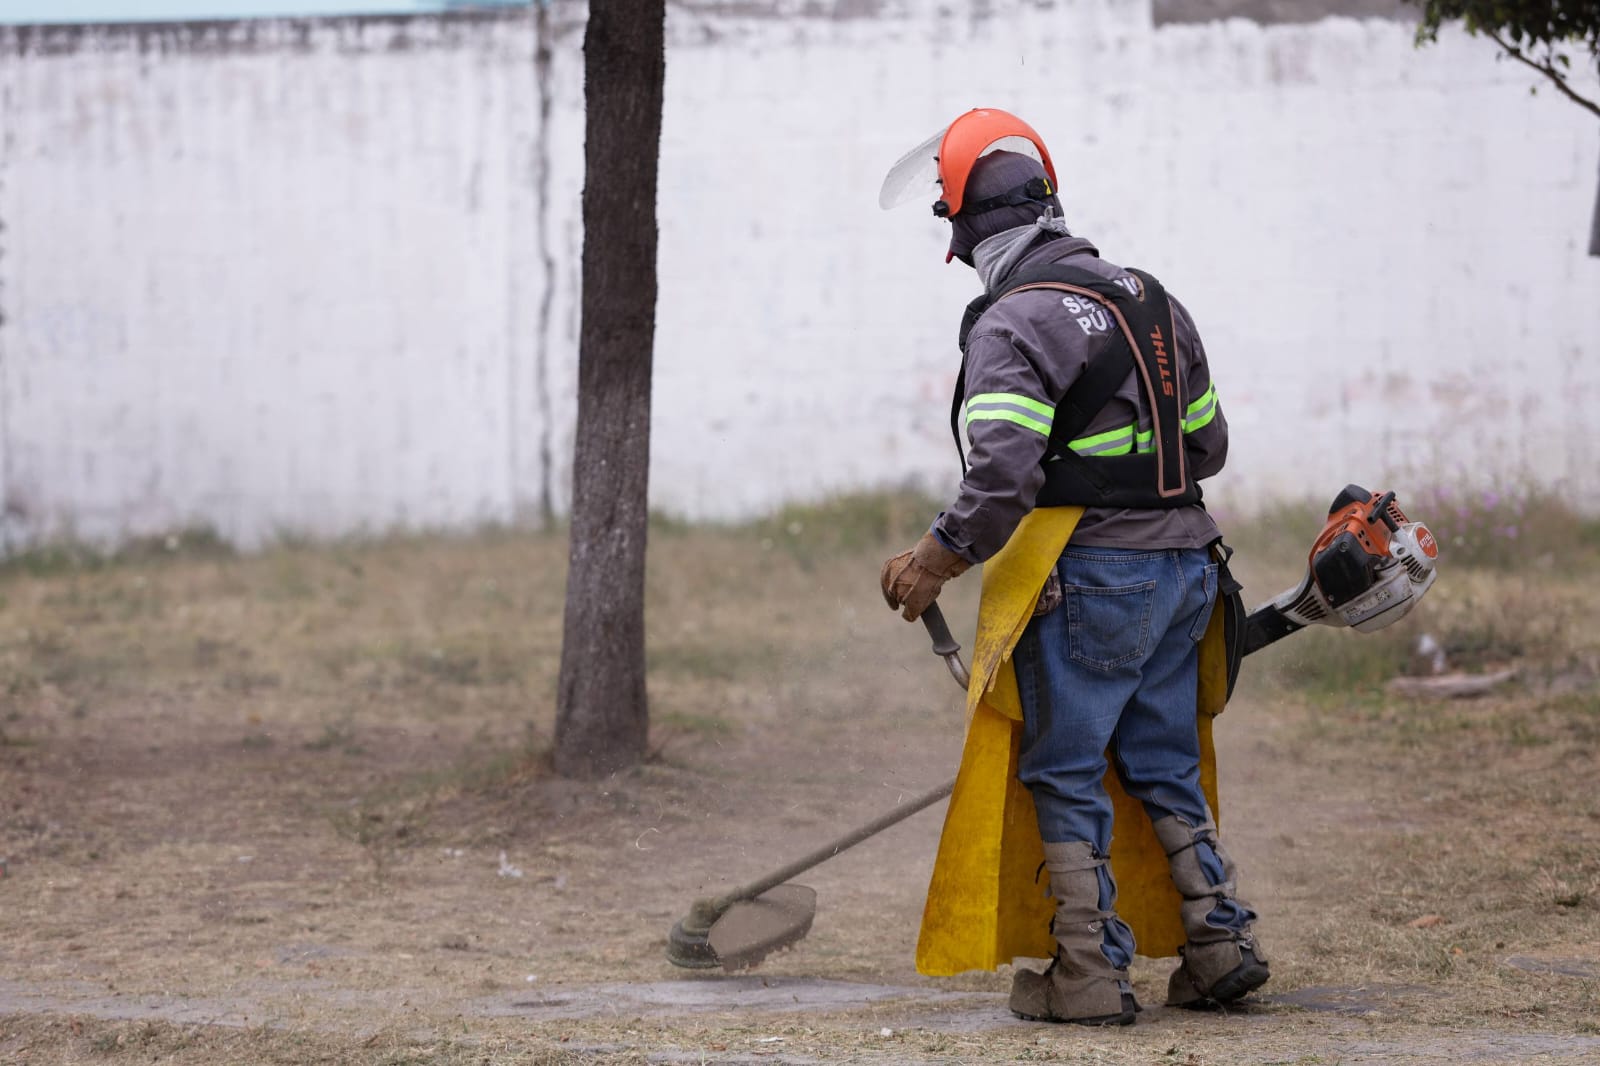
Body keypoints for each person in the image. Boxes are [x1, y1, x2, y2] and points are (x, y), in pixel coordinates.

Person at [878, 108, 1268, 1025]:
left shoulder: (1011, 323)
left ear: (969, 230)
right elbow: (1206, 446)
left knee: (1063, 768)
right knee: (1163, 762)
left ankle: (1088, 976)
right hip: (1189, 576)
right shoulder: (1155, 300)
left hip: (1092, 578)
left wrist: (937, 559)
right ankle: (1222, 945)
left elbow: (1004, 471)